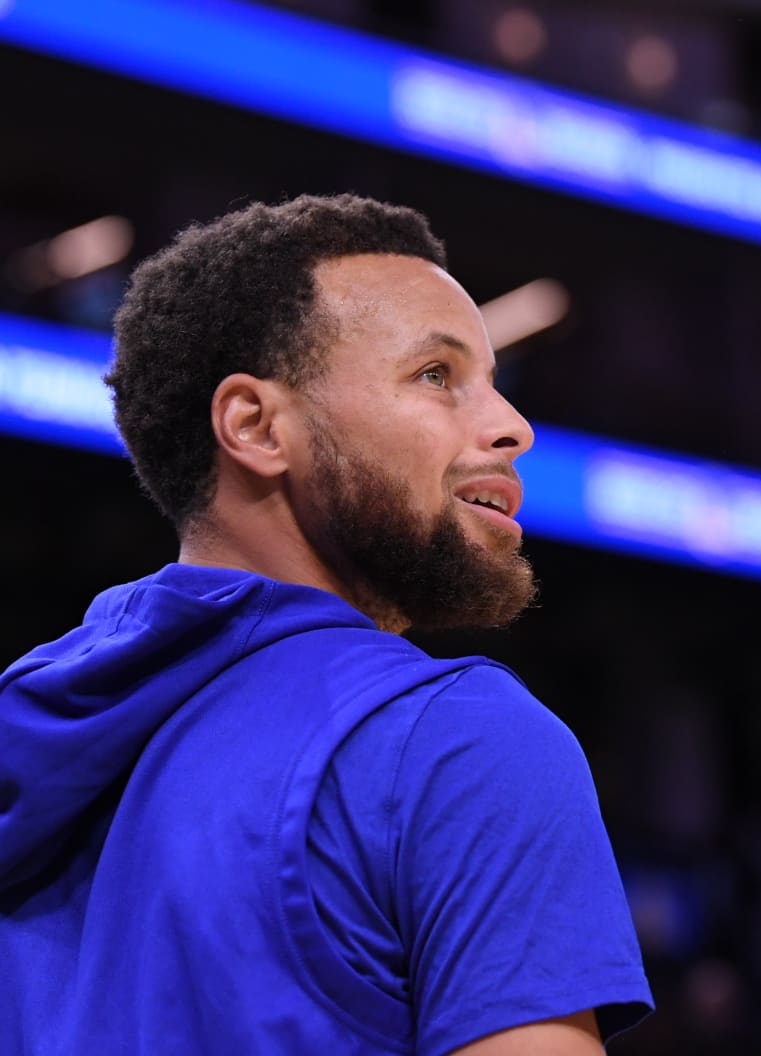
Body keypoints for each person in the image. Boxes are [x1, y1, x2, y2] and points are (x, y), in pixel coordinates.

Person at [0, 194, 652, 1054]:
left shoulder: (32, 734)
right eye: (435, 376)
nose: (511, 427)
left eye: (496, 386)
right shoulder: (457, 741)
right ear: (256, 425)